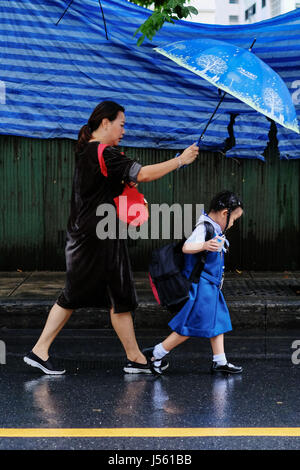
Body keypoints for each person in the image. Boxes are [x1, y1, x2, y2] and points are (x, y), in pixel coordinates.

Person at [23, 100, 199, 375]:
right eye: (121, 124)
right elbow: (142, 174)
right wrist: (180, 160)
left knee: (87, 295)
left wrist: (125, 186)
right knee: (115, 295)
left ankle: (44, 351)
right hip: (97, 239)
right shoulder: (103, 152)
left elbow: (113, 185)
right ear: (105, 122)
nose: (124, 130)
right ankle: (133, 358)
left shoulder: (89, 151)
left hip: (88, 236)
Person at [144, 190, 244, 375]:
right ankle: (155, 354)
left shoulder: (213, 227)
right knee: (190, 325)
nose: (232, 224)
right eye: (233, 219)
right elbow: (187, 247)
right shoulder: (205, 227)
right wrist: (205, 245)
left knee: (218, 321)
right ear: (224, 213)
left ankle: (220, 361)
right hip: (202, 288)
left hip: (211, 287)